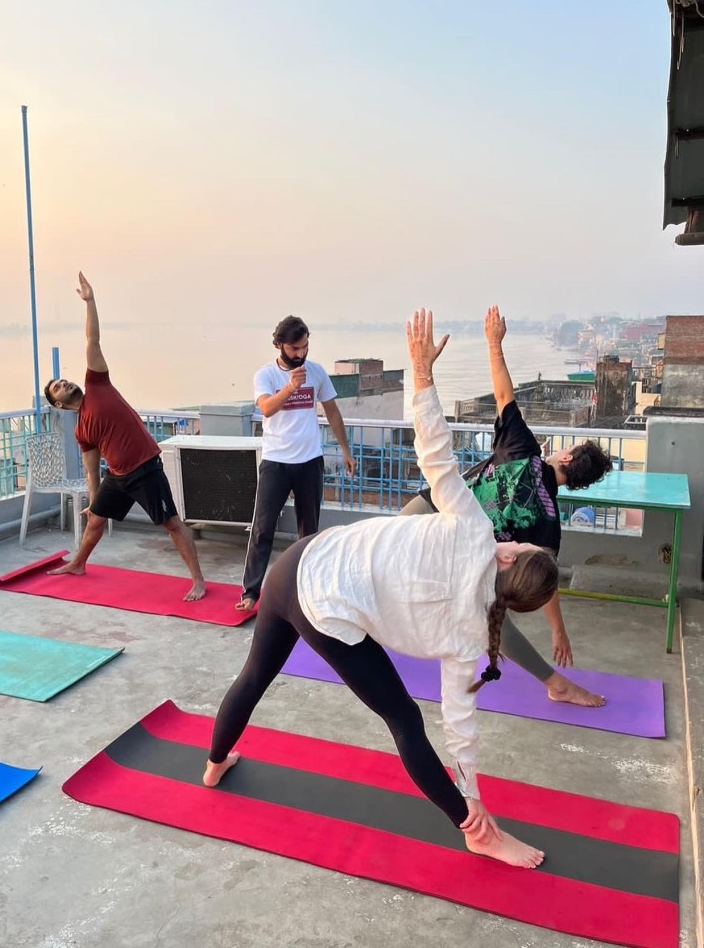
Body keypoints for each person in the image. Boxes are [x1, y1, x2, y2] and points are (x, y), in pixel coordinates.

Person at [203, 309, 557, 869]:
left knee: (254, 675)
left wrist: (420, 373)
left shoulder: (476, 529)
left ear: (511, 555)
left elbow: (435, 452)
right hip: (320, 601)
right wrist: (473, 799)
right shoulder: (473, 638)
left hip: (296, 564)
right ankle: (474, 831)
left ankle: (214, 763)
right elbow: (459, 731)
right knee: (406, 720)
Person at [401, 305, 613, 707]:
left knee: (381, 556)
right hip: (463, 552)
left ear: (566, 459)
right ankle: (556, 683)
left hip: (431, 513)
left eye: (566, 448)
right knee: (491, 617)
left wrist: (494, 343)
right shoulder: (550, 522)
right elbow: (542, 580)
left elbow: (503, 394)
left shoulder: (524, 450)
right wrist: (558, 632)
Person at [42, 272, 206, 601]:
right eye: (59, 386)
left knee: (172, 524)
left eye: (64, 379)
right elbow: (91, 469)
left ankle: (198, 581)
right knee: (96, 522)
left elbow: (92, 341)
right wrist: (93, 502)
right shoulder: (81, 430)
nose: (66, 383)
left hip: (144, 468)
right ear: (59, 403)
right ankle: (78, 563)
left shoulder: (97, 385)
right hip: (117, 477)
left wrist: (90, 302)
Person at [234, 315, 356, 612]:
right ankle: (251, 591)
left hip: (310, 460)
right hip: (276, 461)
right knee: (263, 528)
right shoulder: (266, 375)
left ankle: (308, 588)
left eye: (304, 347)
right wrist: (290, 388)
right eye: (294, 349)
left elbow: (333, 412)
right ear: (280, 346)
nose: (301, 353)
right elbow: (266, 408)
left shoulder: (316, 372)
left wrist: (345, 449)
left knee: (309, 531)